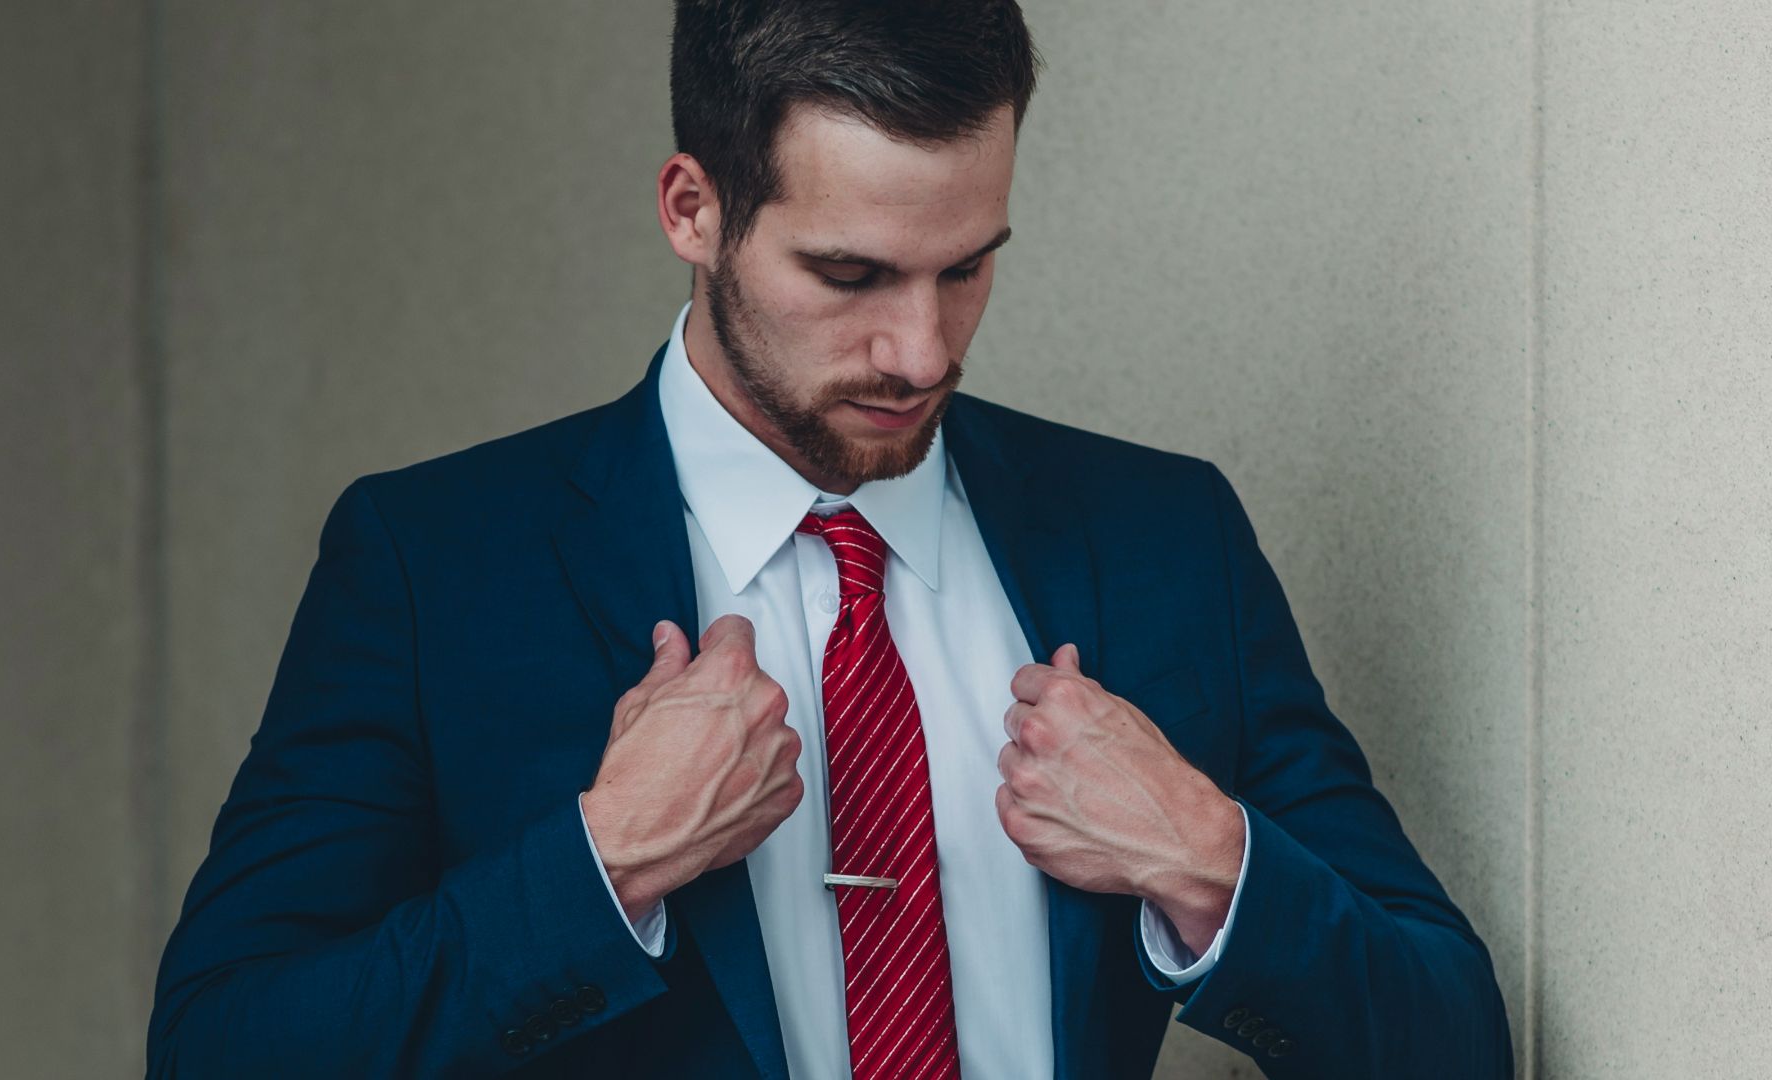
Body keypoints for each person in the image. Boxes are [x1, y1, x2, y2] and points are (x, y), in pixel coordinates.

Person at [147, 2, 1513, 1077]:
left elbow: (1452, 1040)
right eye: (849, 275)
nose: (919, 351)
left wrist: (1209, 861)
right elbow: (223, 1046)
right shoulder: (435, 567)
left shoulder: (1164, 541)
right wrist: (601, 862)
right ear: (694, 210)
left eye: (967, 266)